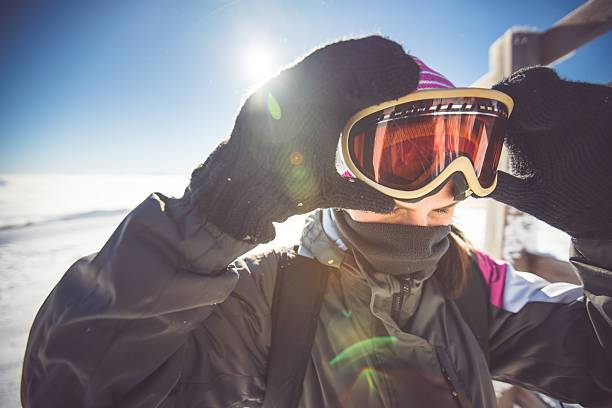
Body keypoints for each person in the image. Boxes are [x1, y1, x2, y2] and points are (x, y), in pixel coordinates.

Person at [20, 36, 612, 408]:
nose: (444, 186)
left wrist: (605, 227)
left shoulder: (476, 285)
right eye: (408, 155)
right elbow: (74, 389)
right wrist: (218, 212)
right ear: (341, 169)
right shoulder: (265, 298)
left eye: (467, 150)